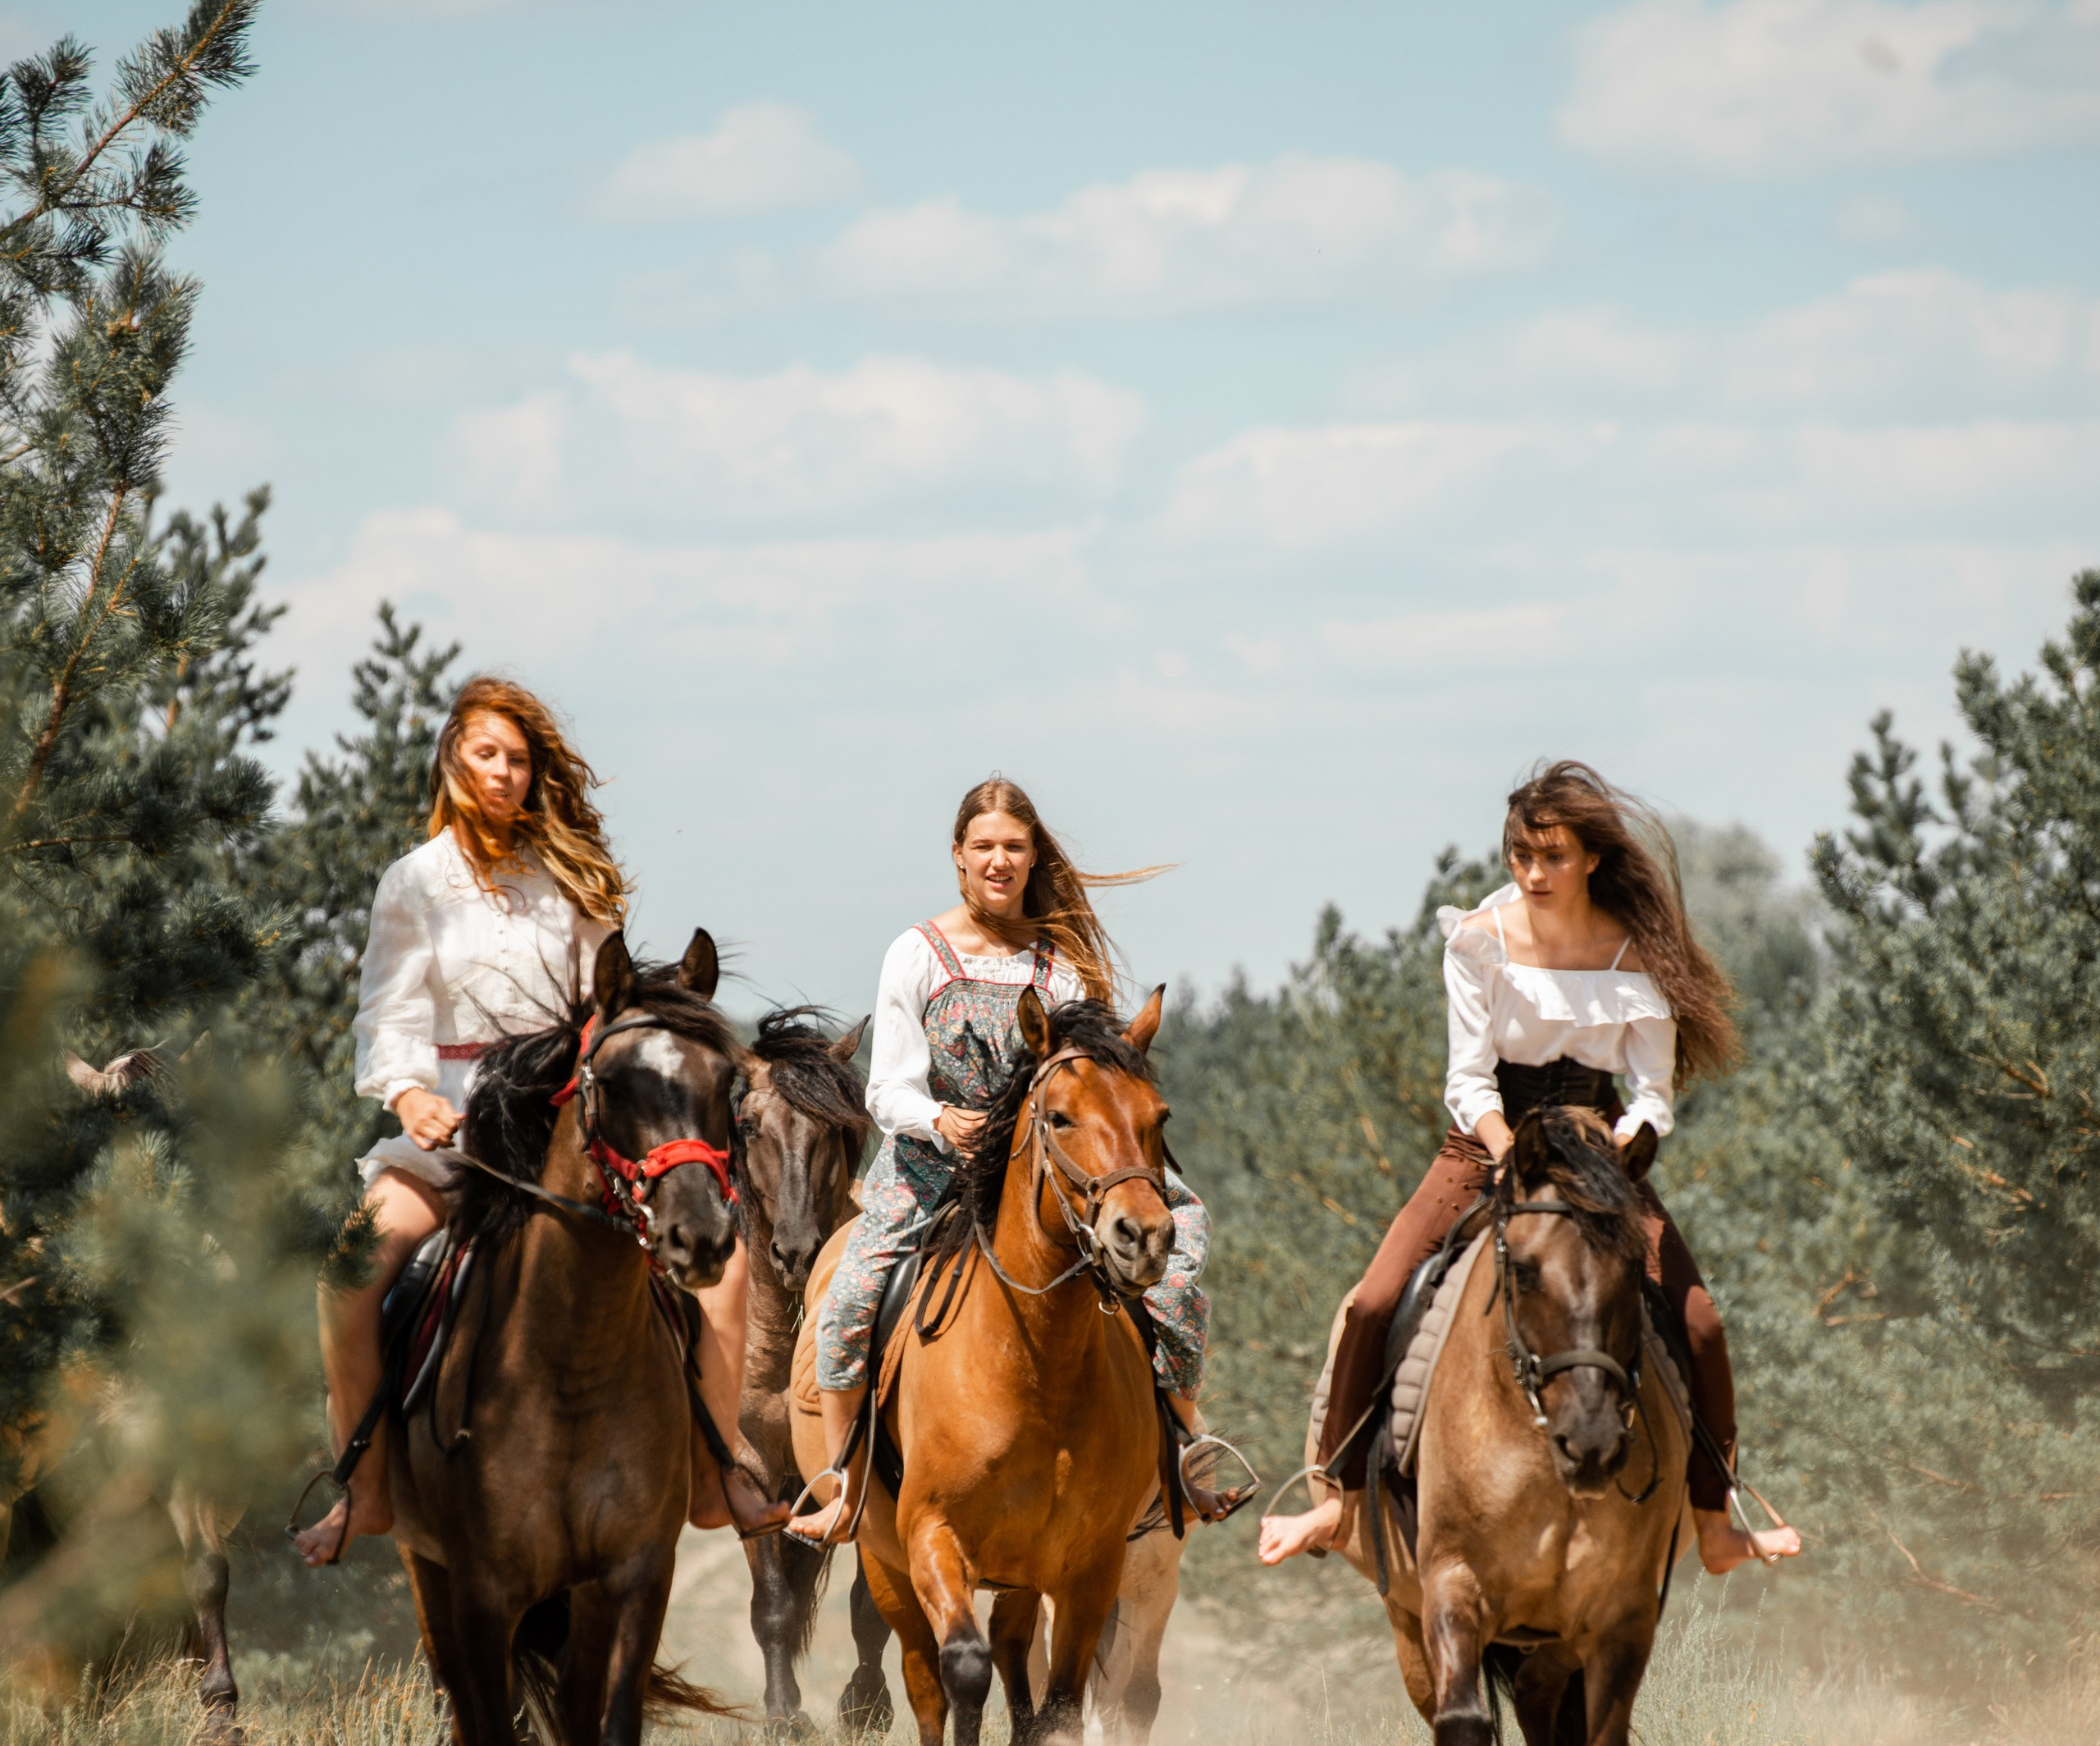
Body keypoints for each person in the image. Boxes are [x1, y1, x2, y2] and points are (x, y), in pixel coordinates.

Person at [1258, 759, 1801, 1578]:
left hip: (1598, 1154)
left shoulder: (1635, 951)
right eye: (1521, 856)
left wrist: (1625, 1146)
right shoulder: (1479, 939)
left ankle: (1715, 1520)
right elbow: (1467, 1081)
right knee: (1372, 1302)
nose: (1533, 873)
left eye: (1551, 856)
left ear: (1589, 858)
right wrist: (1514, 1156)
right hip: (1484, 1144)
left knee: (1700, 1324)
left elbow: (1652, 1092)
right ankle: (1335, 1500)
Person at [293, 674, 776, 1568]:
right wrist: (410, 1096)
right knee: (348, 1269)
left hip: (560, 1125)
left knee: (727, 1268)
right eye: (488, 754)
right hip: (447, 1128)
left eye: (519, 759)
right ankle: (363, 1487)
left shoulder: (570, 878)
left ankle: (715, 1472)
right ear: (453, 760)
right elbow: (388, 1015)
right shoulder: (414, 884)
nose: (504, 773)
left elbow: (612, 1002)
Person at [784, 777, 1216, 1543]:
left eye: (1013, 847)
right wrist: (942, 1119)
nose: (999, 861)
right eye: (983, 846)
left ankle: (1183, 1449)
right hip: (932, 1167)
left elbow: (1090, 1078)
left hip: (1051, 1167)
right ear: (958, 856)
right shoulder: (917, 952)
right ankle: (844, 1488)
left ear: (1031, 856)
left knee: (1176, 1247)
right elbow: (886, 1088)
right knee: (849, 1302)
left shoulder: (1063, 964)